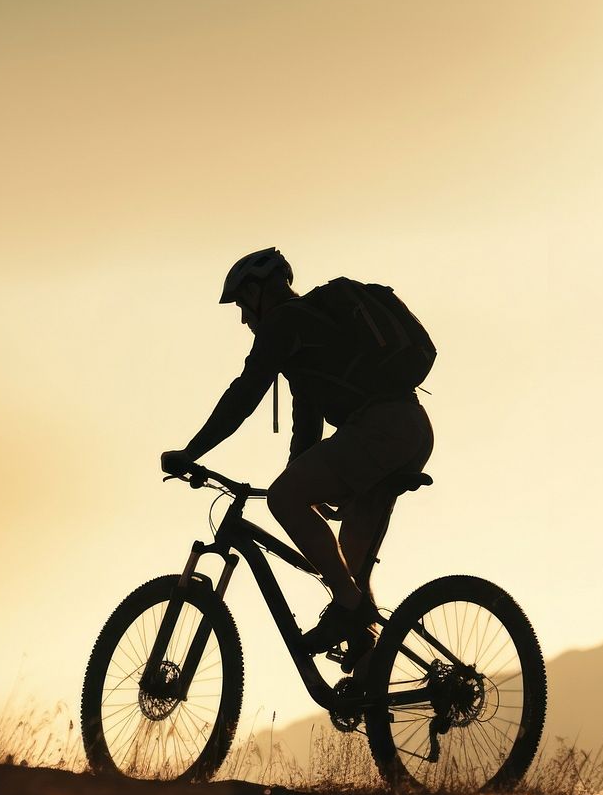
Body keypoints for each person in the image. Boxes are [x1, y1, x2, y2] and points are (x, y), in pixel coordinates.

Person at [162, 247, 434, 663]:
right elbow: (306, 427)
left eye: (241, 303)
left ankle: (348, 609)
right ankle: (368, 675)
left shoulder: (285, 321)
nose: (242, 317)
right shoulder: (310, 332)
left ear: (258, 291)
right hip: (407, 428)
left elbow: (245, 393)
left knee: (282, 499)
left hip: (383, 428)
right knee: (349, 565)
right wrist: (303, 477)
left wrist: (191, 451)